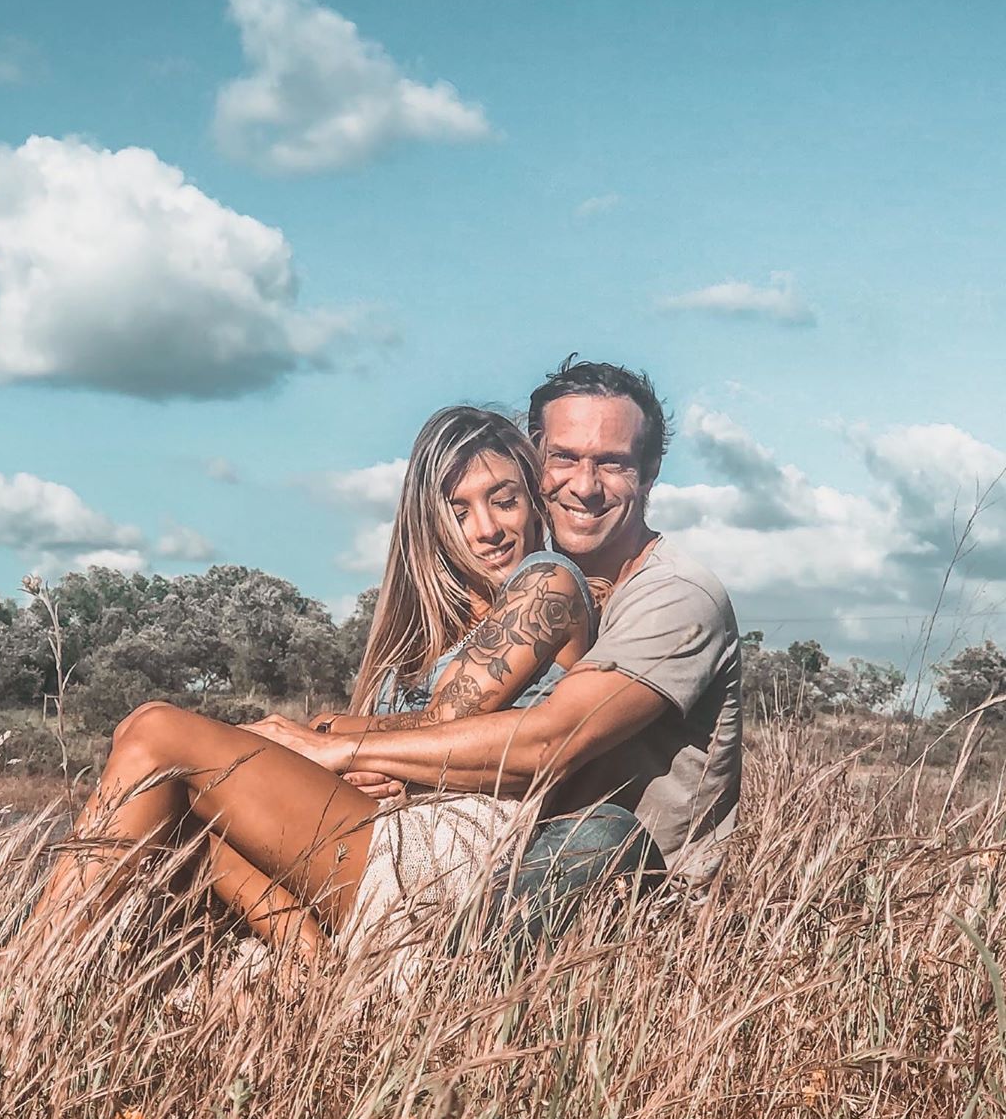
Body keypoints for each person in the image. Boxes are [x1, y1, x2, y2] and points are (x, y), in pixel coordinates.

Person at [24, 405, 632, 970]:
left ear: (533, 503)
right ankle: (309, 960)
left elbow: (450, 721)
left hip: (449, 853)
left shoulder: (549, 582)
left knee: (157, 730)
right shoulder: (421, 638)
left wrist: (333, 738)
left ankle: (23, 974)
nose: (488, 528)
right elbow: (406, 746)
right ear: (430, 524)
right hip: (370, 833)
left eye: (504, 501)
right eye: (459, 510)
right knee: (163, 783)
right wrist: (353, 760)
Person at [270, 358, 742, 895]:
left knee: (601, 834)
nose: (585, 486)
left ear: (650, 472)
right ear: (536, 464)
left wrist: (340, 743)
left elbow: (548, 741)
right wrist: (366, 756)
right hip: (515, 867)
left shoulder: (675, 595)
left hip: (632, 895)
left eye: (612, 463)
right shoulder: (518, 591)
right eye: (564, 457)